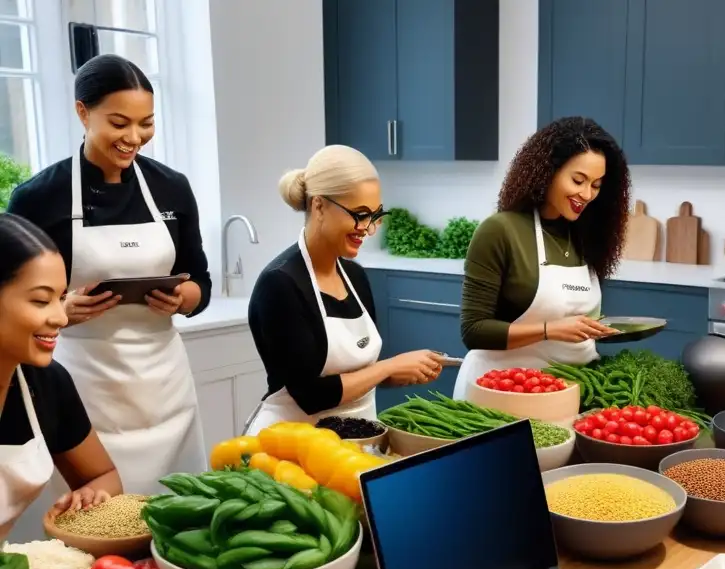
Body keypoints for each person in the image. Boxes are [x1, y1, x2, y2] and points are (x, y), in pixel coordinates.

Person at [7, 54, 210, 495]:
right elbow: (9, 304)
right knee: (97, 527)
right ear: (83, 111)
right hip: (82, 384)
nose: (134, 137)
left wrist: (186, 296)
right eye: (119, 123)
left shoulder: (172, 187)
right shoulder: (38, 197)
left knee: (178, 515)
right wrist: (62, 309)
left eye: (146, 123)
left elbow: (201, 280)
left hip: (165, 385)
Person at [245, 146, 444, 433]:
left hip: (356, 440)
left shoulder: (355, 276)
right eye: (359, 214)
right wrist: (388, 367)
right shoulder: (280, 284)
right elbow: (311, 395)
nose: (367, 228)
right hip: (292, 444)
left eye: (375, 216)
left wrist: (407, 369)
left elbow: (360, 375)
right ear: (319, 206)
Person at [453, 117, 629, 398]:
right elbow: (473, 330)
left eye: (596, 185)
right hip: (502, 391)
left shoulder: (588, 237)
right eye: (578, 180)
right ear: (547, 171)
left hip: (569, 391)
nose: (586, 194)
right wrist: (550, 330)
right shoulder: (501, 230)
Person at [0, 214, 121, 531]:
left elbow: (103, 477)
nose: (61, 317)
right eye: (41, 300)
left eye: (62, 297)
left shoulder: (47, 382)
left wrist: (90, 496)